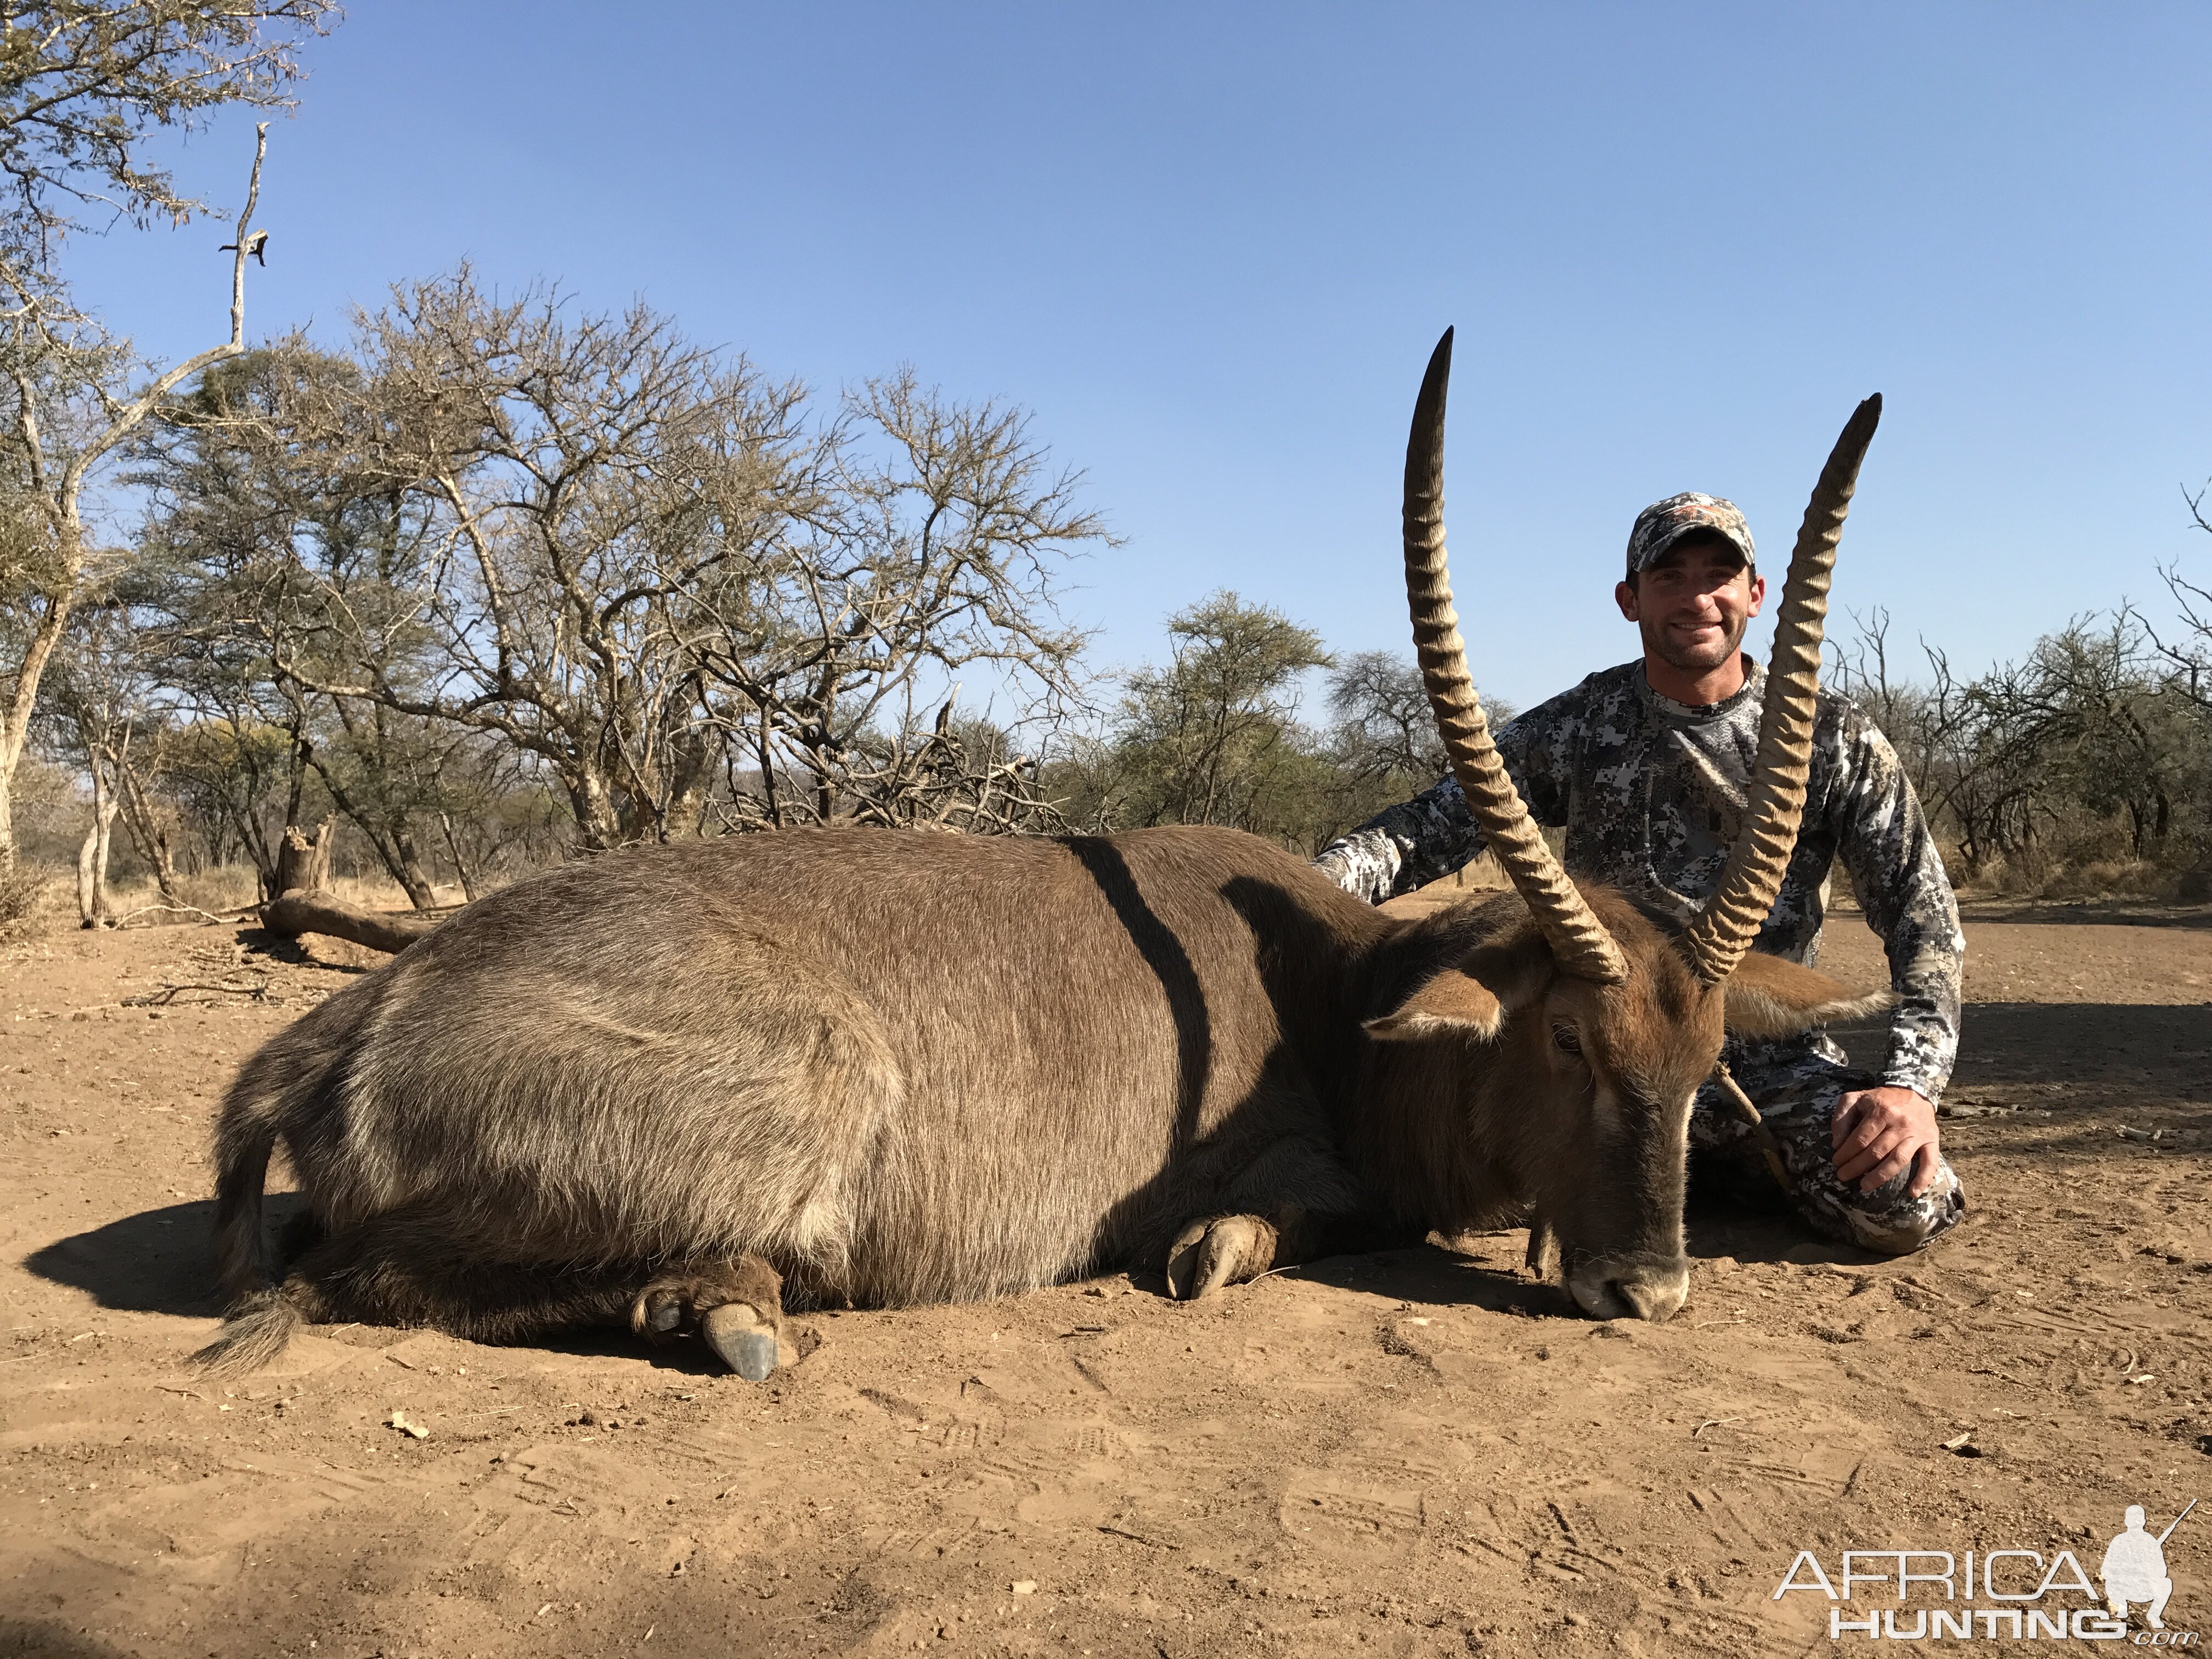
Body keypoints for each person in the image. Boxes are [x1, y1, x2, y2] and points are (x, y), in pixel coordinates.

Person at [1314, 492, 1966, 1254]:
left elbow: (1926, 919)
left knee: (1903, 1203)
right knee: (1409, 1181)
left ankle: (1703, 1173)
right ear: (1630, 600)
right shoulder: (1582, 722)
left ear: (1755, 595)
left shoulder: (1837, 737)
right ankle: (1686, 1182)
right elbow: (1422, 831)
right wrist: (1305, 890)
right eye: (1670, 576)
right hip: (1597, 1065)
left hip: (1767, 1063)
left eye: (1720, 575)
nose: (1698, 597)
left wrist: (1911, 1087)